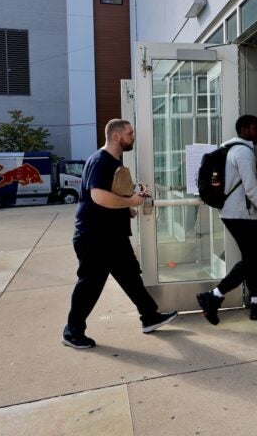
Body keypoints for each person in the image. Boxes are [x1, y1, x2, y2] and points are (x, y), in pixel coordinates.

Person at [62, 119, 177, 349]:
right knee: (90, 284)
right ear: (116, 136)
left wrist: (128, 208)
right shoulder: (101, 161)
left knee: (130, 275)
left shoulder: (111, 161)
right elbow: (99, 197)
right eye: (129, 133)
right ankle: (72, 332)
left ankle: (149, 316)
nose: (132, 136)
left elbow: (109, 196)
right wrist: (131, 201)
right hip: (95, 236)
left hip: (111, 236)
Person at [197, 114, 257, 324]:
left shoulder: (232, 150)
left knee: (253, 259)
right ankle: (213, 296)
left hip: (234, 214)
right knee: (251, 261)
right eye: (256, 128)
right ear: (245, 130)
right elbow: (251, 189)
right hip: (244, 215)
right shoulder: (244, 153)